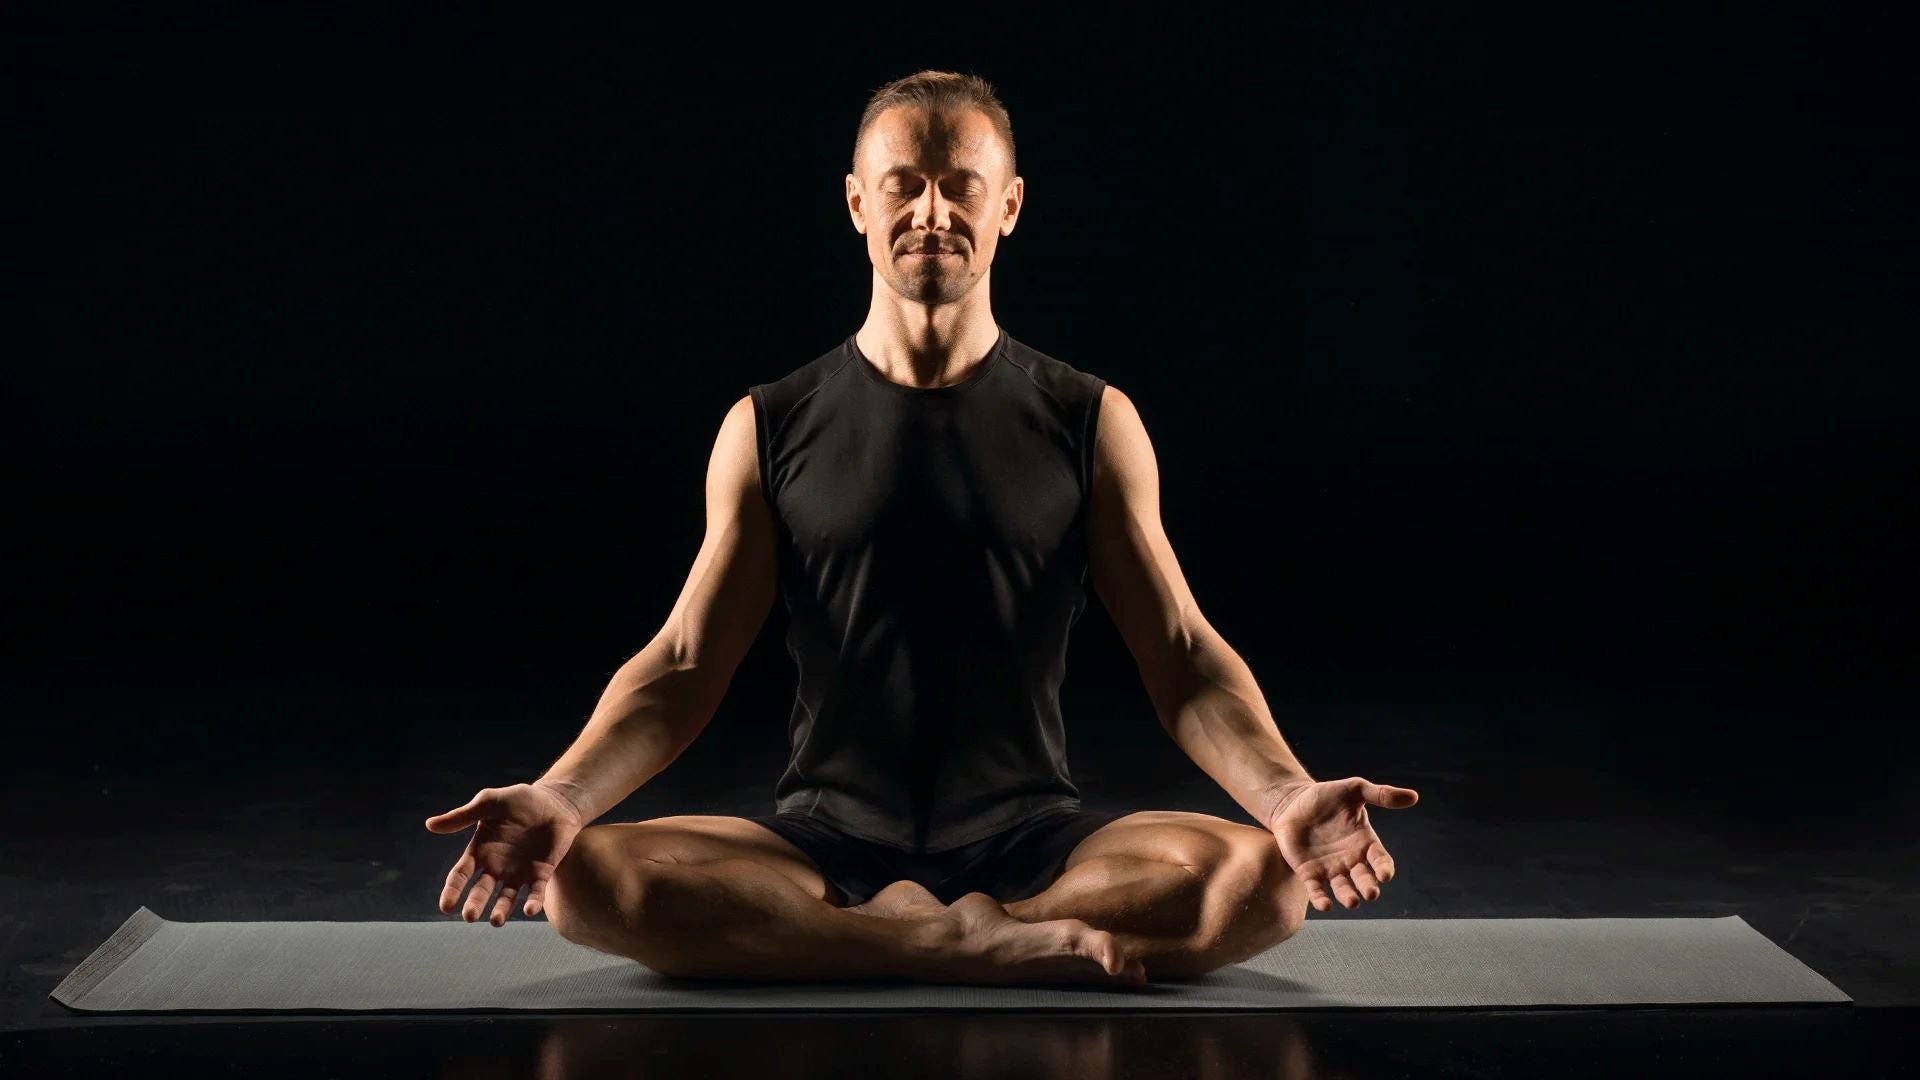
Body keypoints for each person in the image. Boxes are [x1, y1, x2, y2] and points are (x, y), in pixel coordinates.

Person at [426, 70, 1419, 987]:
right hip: (821, 842)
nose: (932, 213)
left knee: (1266, 878)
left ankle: (868, 948)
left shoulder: (1089, 419)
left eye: (962, 186)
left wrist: (1288, 798)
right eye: (903, 185)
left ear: (1010, 207)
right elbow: (685, 663)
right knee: (586, 877)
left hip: (1037, 842)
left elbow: (1182, 654)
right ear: (859, 205)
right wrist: (561, 796)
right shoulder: (768, 425)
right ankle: (982, 946)